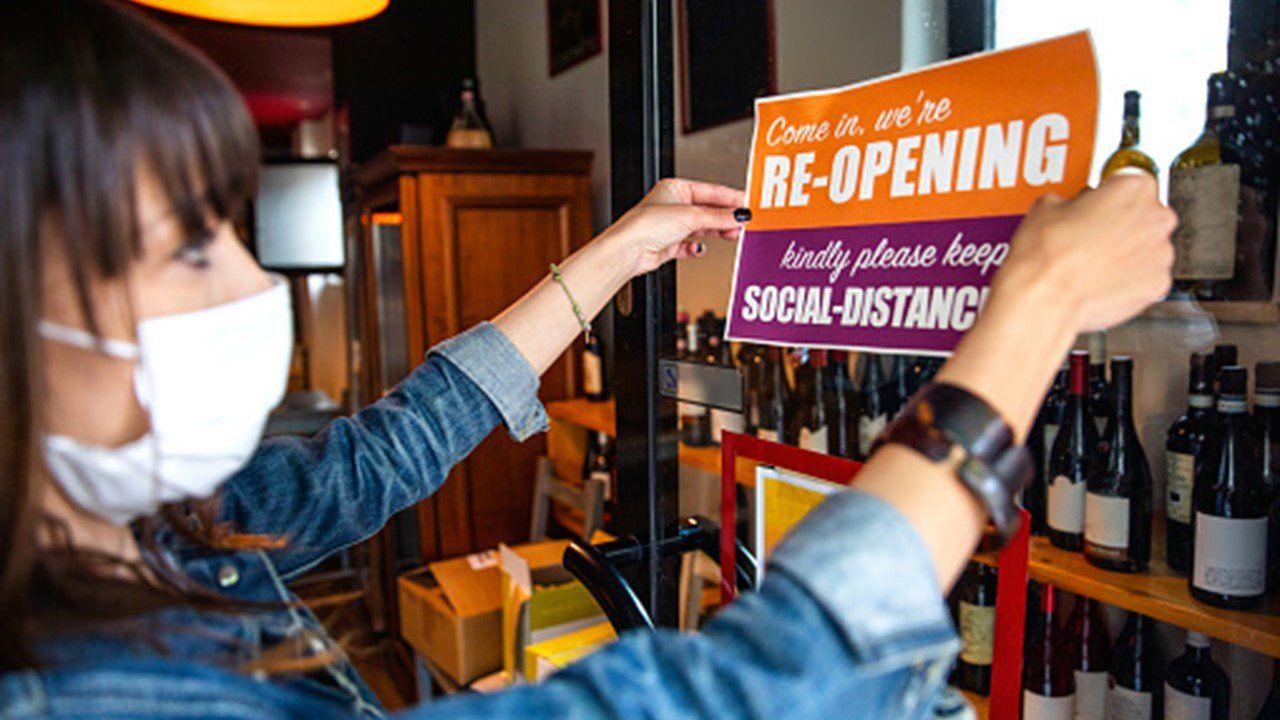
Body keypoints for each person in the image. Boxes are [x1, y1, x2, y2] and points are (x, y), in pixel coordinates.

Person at [0, 2, 1176, 719]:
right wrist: (1035, 307)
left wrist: (615, 253)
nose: (253, 286)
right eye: (188, 245)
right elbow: (754, 691)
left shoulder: (150, 542)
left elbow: (381, 455)